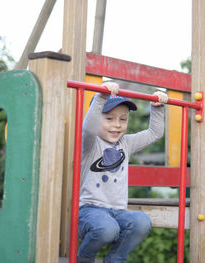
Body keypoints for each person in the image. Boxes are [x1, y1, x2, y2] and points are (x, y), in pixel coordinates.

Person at [78, 82, 168, 263]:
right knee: (107, 229)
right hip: (89, 211)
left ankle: (115, 259)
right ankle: (84, 258)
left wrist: (156, 108)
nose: (117, 125)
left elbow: (154, 134)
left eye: (123, 119)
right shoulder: (90, 144)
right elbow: (89, 128)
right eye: (109, 118)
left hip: (118, 212)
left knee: (141, 222)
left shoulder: (125, 144)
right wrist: (101, 96)